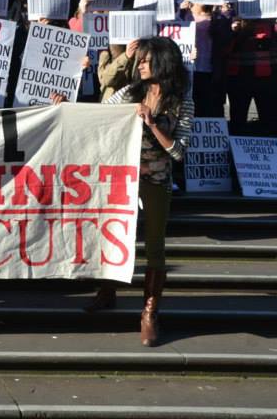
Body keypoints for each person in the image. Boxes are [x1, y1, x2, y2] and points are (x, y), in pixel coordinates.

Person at [84, 37, 194, 347]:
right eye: (140, 59)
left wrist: (153, 123)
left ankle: (149, 312)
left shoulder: (181, 101)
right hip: (123, 179)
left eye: (146, 60)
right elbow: (97, 116)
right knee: (113, 235)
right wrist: (63, 107)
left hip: (157, 181)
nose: (140, 64)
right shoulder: (129, 92)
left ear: (163, 62)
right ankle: (107, 290)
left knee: (155, 246)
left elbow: (179, 153)